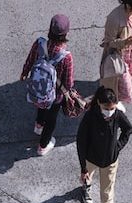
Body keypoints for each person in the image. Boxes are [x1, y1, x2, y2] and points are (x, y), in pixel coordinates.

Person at [76, 86, 132, 203]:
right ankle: (86, 187)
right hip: (91, 158)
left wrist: (118, 147)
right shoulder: (89, 118)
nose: (109, 112)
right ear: (99, 104)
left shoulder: (117, 115)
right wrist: (83, 168)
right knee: (87, 176)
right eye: (106, 108)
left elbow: (128, 129)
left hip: (110, 162)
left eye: (112, 108)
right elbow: (81, 142)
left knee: (107, 193)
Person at [20, 14, 75, 156]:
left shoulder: (40, 43)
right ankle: (43, 145)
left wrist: (24, 72)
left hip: (38, 89)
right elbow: (68, 82)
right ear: (66, 33)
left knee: (41, 104)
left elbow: (30, 59)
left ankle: (38, 125)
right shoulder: (66, 56)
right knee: (51, 119)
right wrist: (67, 92)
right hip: (55, 95)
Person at [100, 0, 132, 103]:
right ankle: (114, 102)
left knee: (124, 83)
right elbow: (109, 42)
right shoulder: (114, 18)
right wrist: (124, 42)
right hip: (119, 58)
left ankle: (116, 99)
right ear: (128, 5)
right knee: (126, 87)